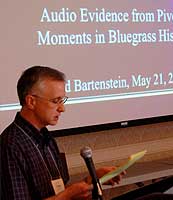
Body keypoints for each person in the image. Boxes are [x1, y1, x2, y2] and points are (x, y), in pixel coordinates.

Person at [1, 66, 125, 200]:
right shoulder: (10, 146)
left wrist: (91, 180)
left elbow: (56, 191)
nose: (62, 108)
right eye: (55, 101)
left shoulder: (45, 137)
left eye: (62, 101)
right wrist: (66, 196)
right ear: (31, 101)